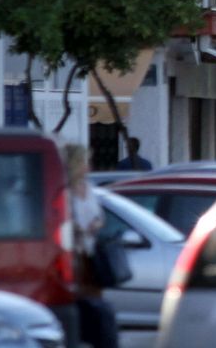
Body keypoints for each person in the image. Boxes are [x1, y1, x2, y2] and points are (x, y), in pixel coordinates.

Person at [63, 145, 119, 348]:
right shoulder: (64, 189)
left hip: (90, 253)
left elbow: (100, 217)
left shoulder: (88, 187)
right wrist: (77, 229)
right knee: (77, 298)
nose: (89, 166)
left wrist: (95, 225)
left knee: (94, 299)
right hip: (73, 254)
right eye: (85, 161)